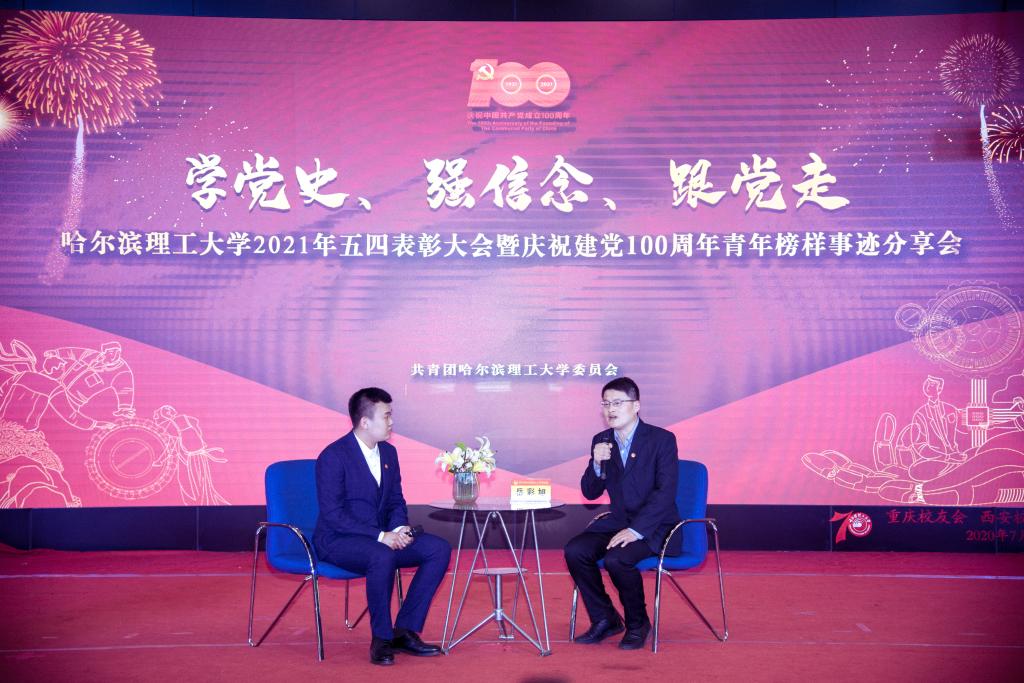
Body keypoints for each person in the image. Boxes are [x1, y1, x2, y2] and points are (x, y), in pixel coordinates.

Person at [313, 387, 451, 666]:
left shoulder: (388, 452)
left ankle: (404, 630)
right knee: (382, 555)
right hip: (339, 540)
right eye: (386, 416)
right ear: (365, 422)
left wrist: (398, 529)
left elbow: (396, 500)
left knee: (438, 549)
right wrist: (380, 536)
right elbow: (333, 515)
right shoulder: (333, 456)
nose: (391, 422)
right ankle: (382, 638)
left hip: (381, 538)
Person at [564, 377, 680, 650]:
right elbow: (590, 493)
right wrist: (596, 462)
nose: (610, 409)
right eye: (606, 404)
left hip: (655, 526)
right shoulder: (602, 441)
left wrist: (636, 530)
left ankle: (638, 624)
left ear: (636, 405)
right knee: (575, 550)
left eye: (617, 403)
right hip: (617, 522)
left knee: (617, 559)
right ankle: (605, 619)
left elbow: (665, 493)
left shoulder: (661, 440)